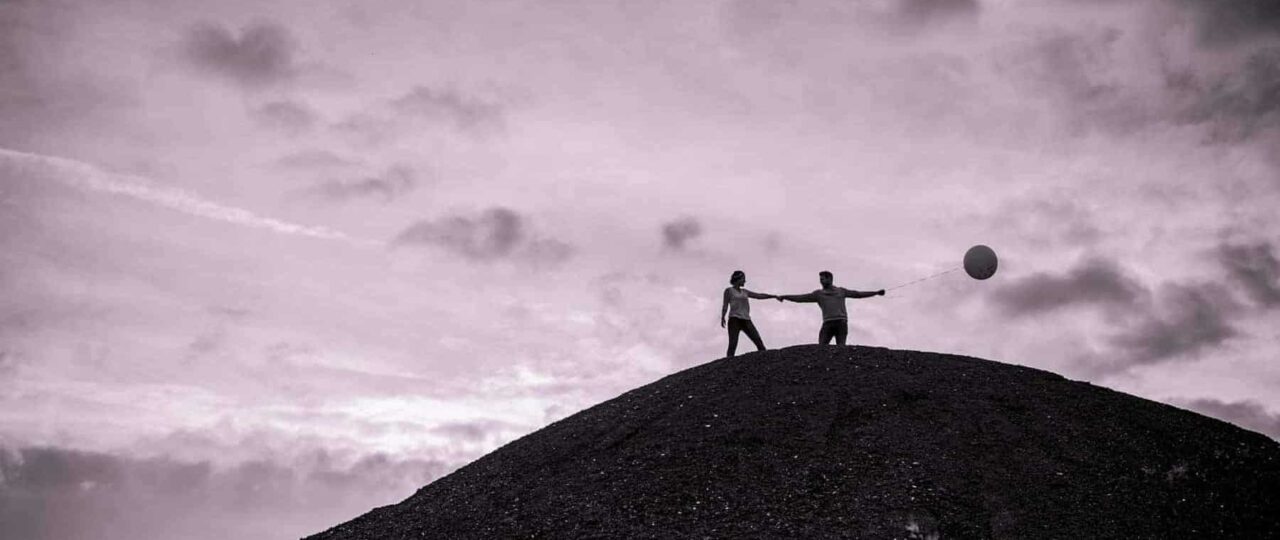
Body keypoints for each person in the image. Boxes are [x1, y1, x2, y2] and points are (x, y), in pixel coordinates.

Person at [777, 270, 885, 346]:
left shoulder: (841, 291)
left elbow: (858, 294)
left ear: (830, 279)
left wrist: (875, 293)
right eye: (820, 279)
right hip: (827, 323)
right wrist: (785, 297)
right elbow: (801, 298)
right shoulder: (818, 294)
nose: (821, 281)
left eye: (823, 279)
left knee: (841, 348)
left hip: (841, 323)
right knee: (821, 348)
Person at [720, 270, 776, 357]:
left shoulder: (745, 292)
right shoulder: (729, 291)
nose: (744, 281)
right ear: (737, 279)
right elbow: (725, 305)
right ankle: (728, 363)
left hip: (746, 319)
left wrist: (773, 296)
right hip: (734, 320)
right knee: (733, 344)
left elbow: (759, 296)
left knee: (758, 341)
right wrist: (723, 317)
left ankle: (766, 360)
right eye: (743, 279)